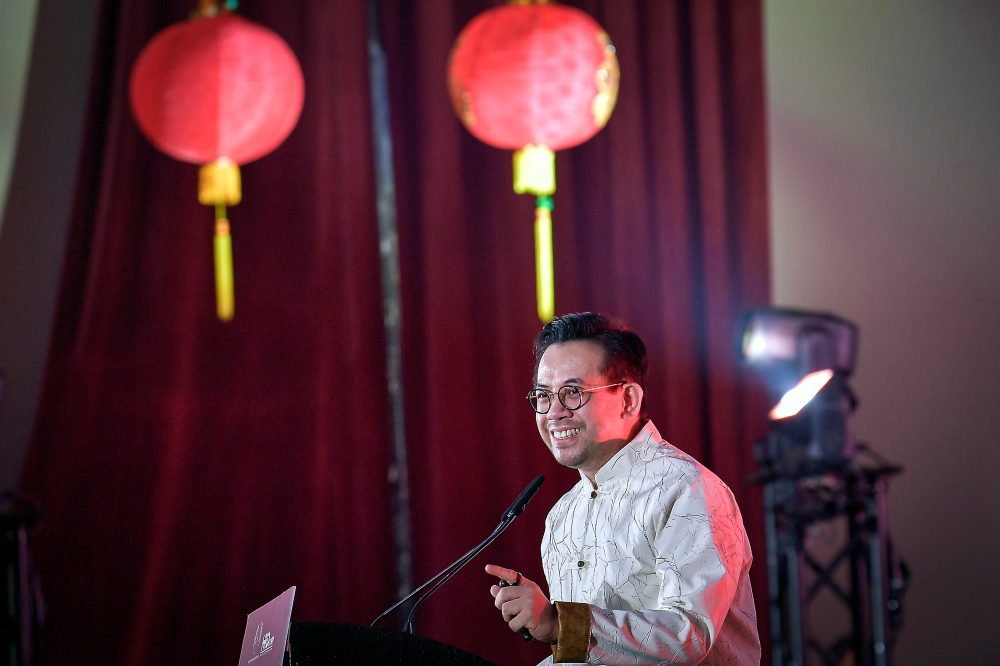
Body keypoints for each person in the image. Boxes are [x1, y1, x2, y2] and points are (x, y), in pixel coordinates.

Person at [486, 313, 760, 665]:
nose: (553, 412)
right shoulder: (563, 516)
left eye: (572, 393)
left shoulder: (687, 489)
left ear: (628, 399)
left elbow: (690, 634)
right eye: (543, 395)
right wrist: (557, 629)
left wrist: (561, 623)